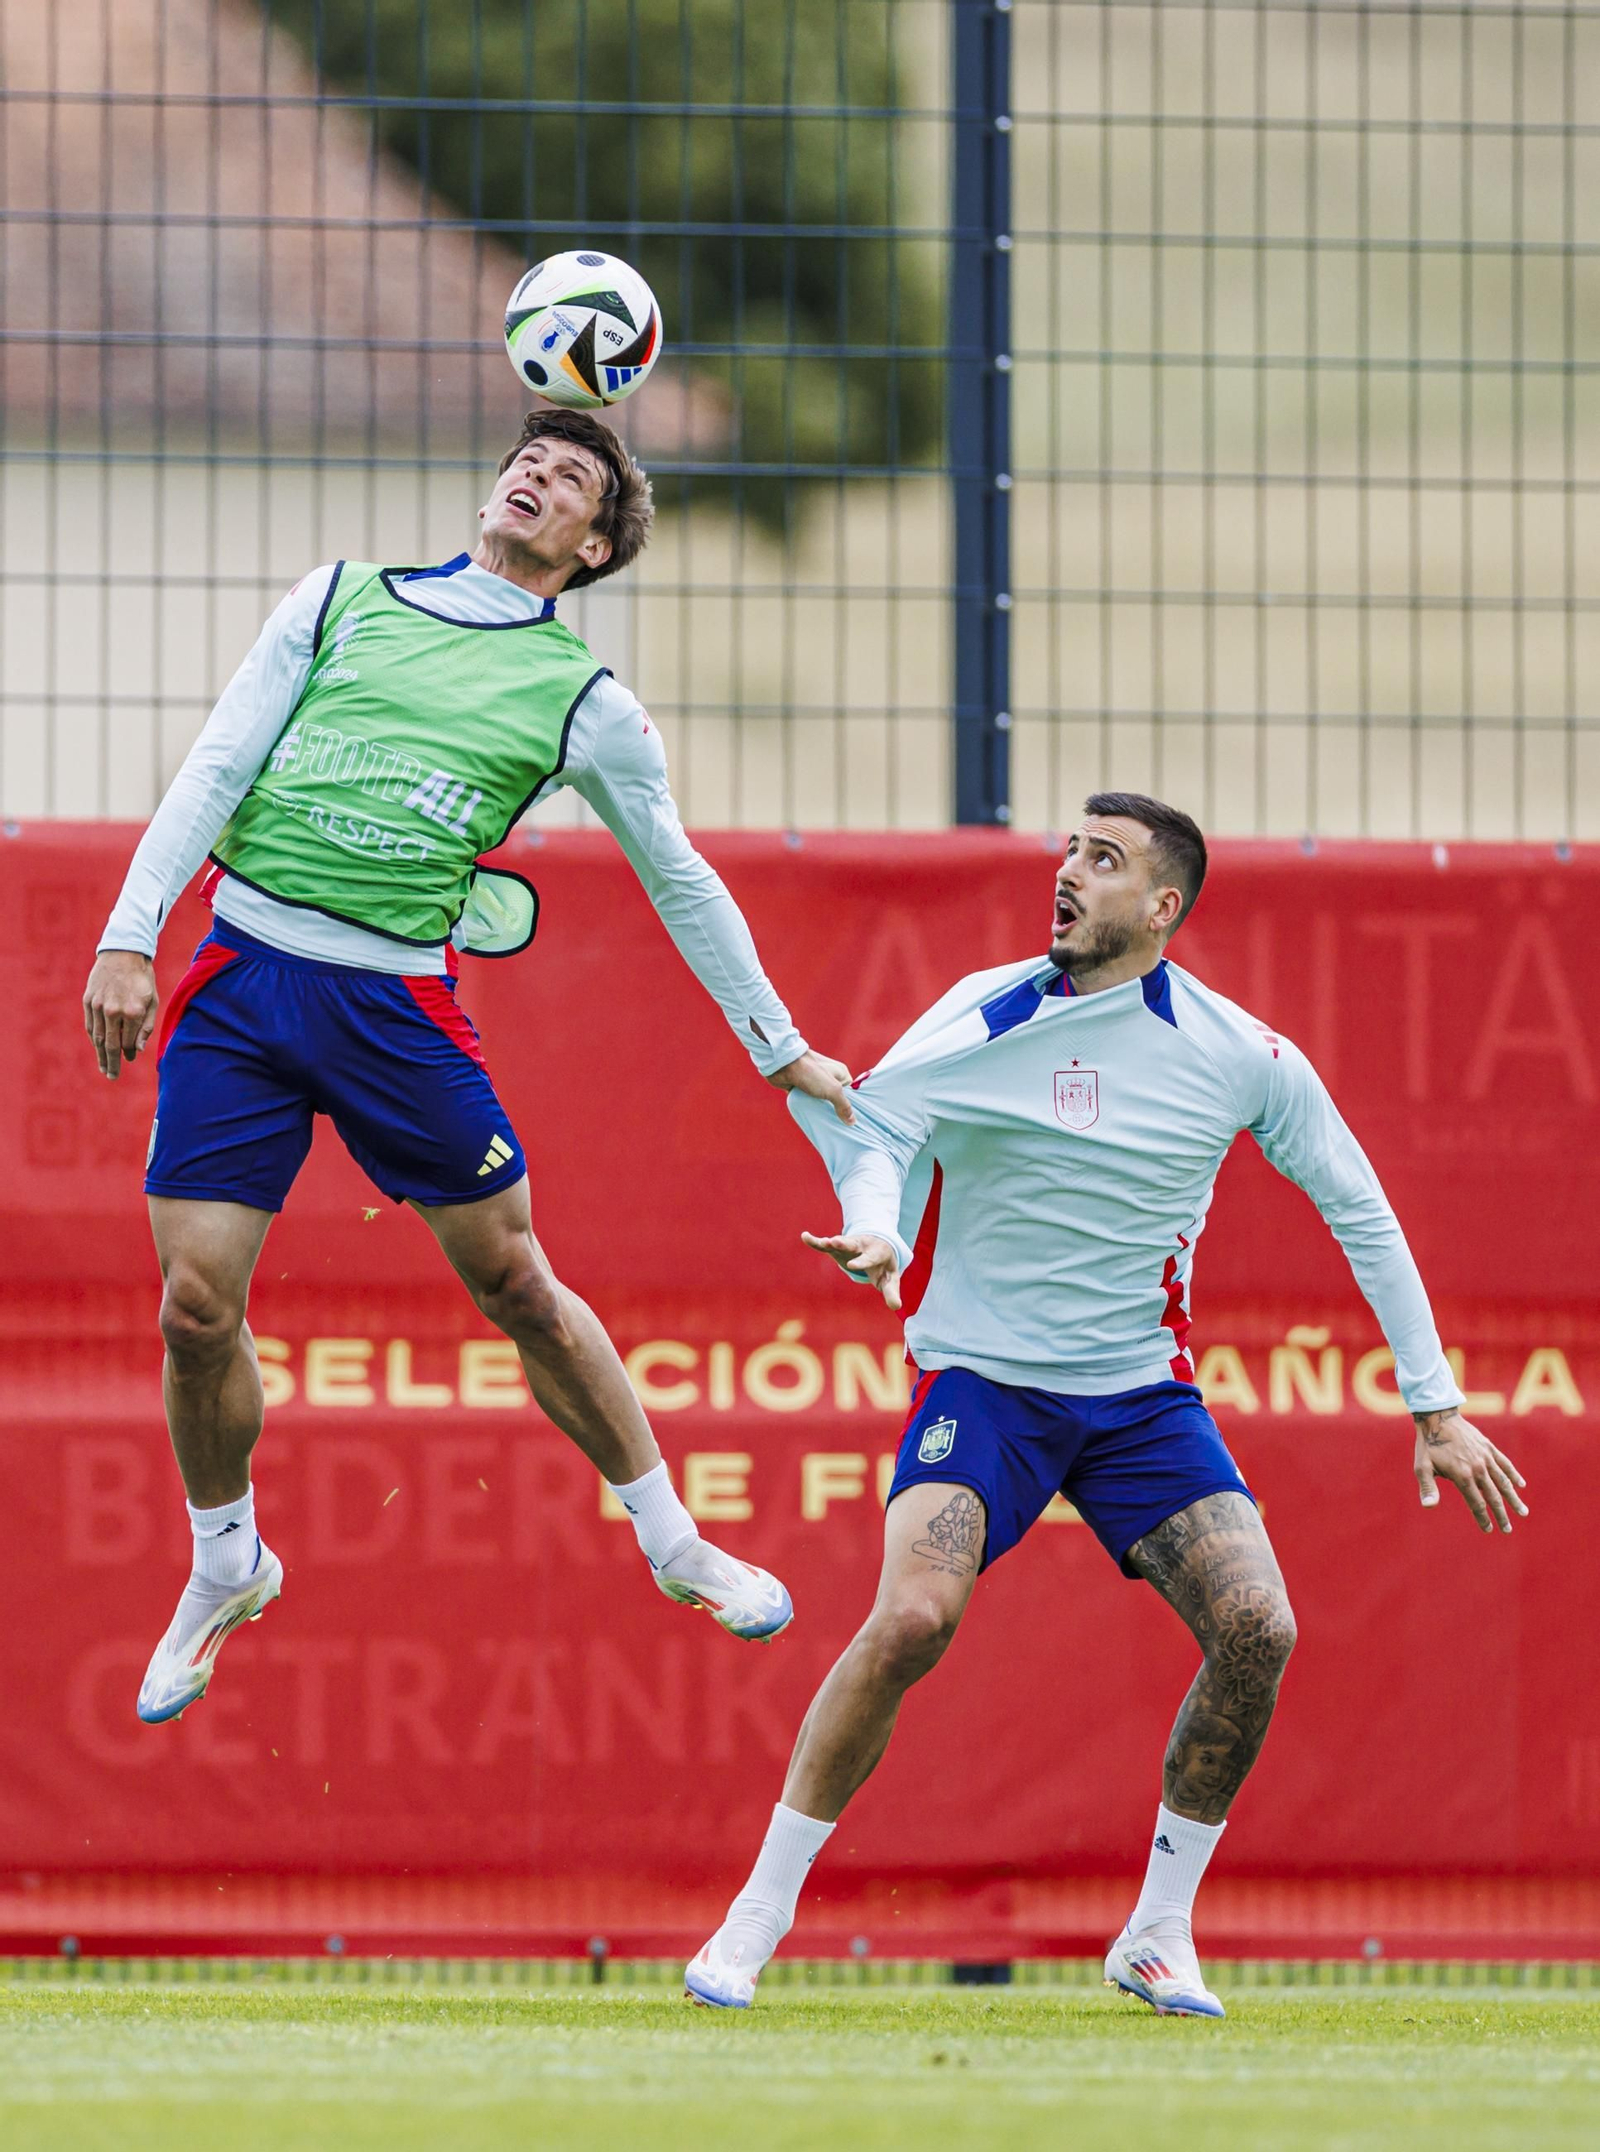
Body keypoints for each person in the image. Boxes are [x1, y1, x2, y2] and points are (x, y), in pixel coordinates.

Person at [685, 790, 1527, 2017]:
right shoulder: (982, 1011)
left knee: (1260, 1630)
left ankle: (1156, 1930)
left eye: (1103, 858)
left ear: (1163, 905)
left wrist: (1434, 1403)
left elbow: (1360, 1206)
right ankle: (755, 1918)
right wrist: (877, 1222)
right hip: (981, 1381)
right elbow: (874, 1126)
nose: (1068, 873)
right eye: (1069, 850)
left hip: (1139, 1402)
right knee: (915, 1614)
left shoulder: (1240, 1055)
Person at [83, 407, 851, 1727]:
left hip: (394, 1007)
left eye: (567, 480)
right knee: (194, 1310)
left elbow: (683, 883)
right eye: (528, 460)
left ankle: (673, 1541)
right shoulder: (342, 597)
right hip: (244, 977)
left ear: (593, 545)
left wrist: (781, 1051)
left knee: (519, 1284)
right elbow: (217, 762)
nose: (534, 477)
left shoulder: (588, 705)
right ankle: (227, 1563)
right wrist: (127, 931)